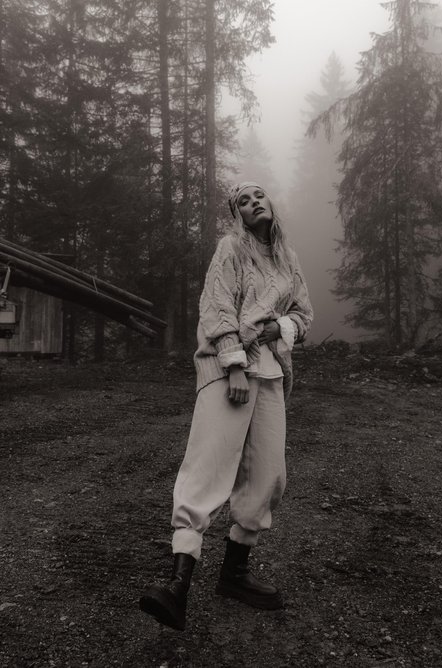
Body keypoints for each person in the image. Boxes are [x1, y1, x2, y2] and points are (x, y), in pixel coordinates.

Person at [140, 181, 313, 630]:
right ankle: (177, 585)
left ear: (270, 203)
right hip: (228, 370)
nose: (254, 203)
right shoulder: (230, 248)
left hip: (271, 374)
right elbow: (216, 307)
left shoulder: (288, 258)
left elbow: (304, 315)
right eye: (243, 201)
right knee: (209, 465)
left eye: (259, 196)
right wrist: (234, 364)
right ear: (237, 215)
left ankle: (234, 574)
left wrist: (281, 328)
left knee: (268, 474)